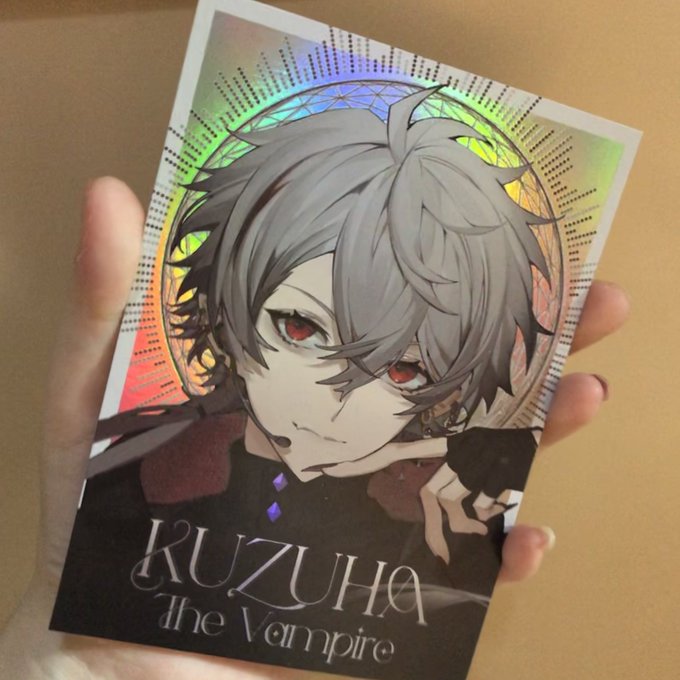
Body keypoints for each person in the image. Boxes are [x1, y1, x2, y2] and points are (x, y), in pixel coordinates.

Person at [0, 109, 629, 678]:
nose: (335, 406)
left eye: (404, 371)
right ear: (228, 310)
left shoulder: (425, 547)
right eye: (300, 328)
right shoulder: (125, 489)